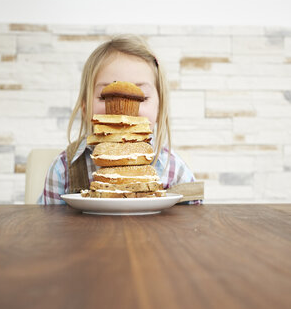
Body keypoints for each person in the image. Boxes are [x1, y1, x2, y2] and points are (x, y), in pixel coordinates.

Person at [38, 34, 202, 204]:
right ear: (85, 109)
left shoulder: (175, 172)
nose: (123, 111)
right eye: (106, 97)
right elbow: (50, 226)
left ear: (160, 109)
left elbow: (193, 225)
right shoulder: (63, 170)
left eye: (141, 98)